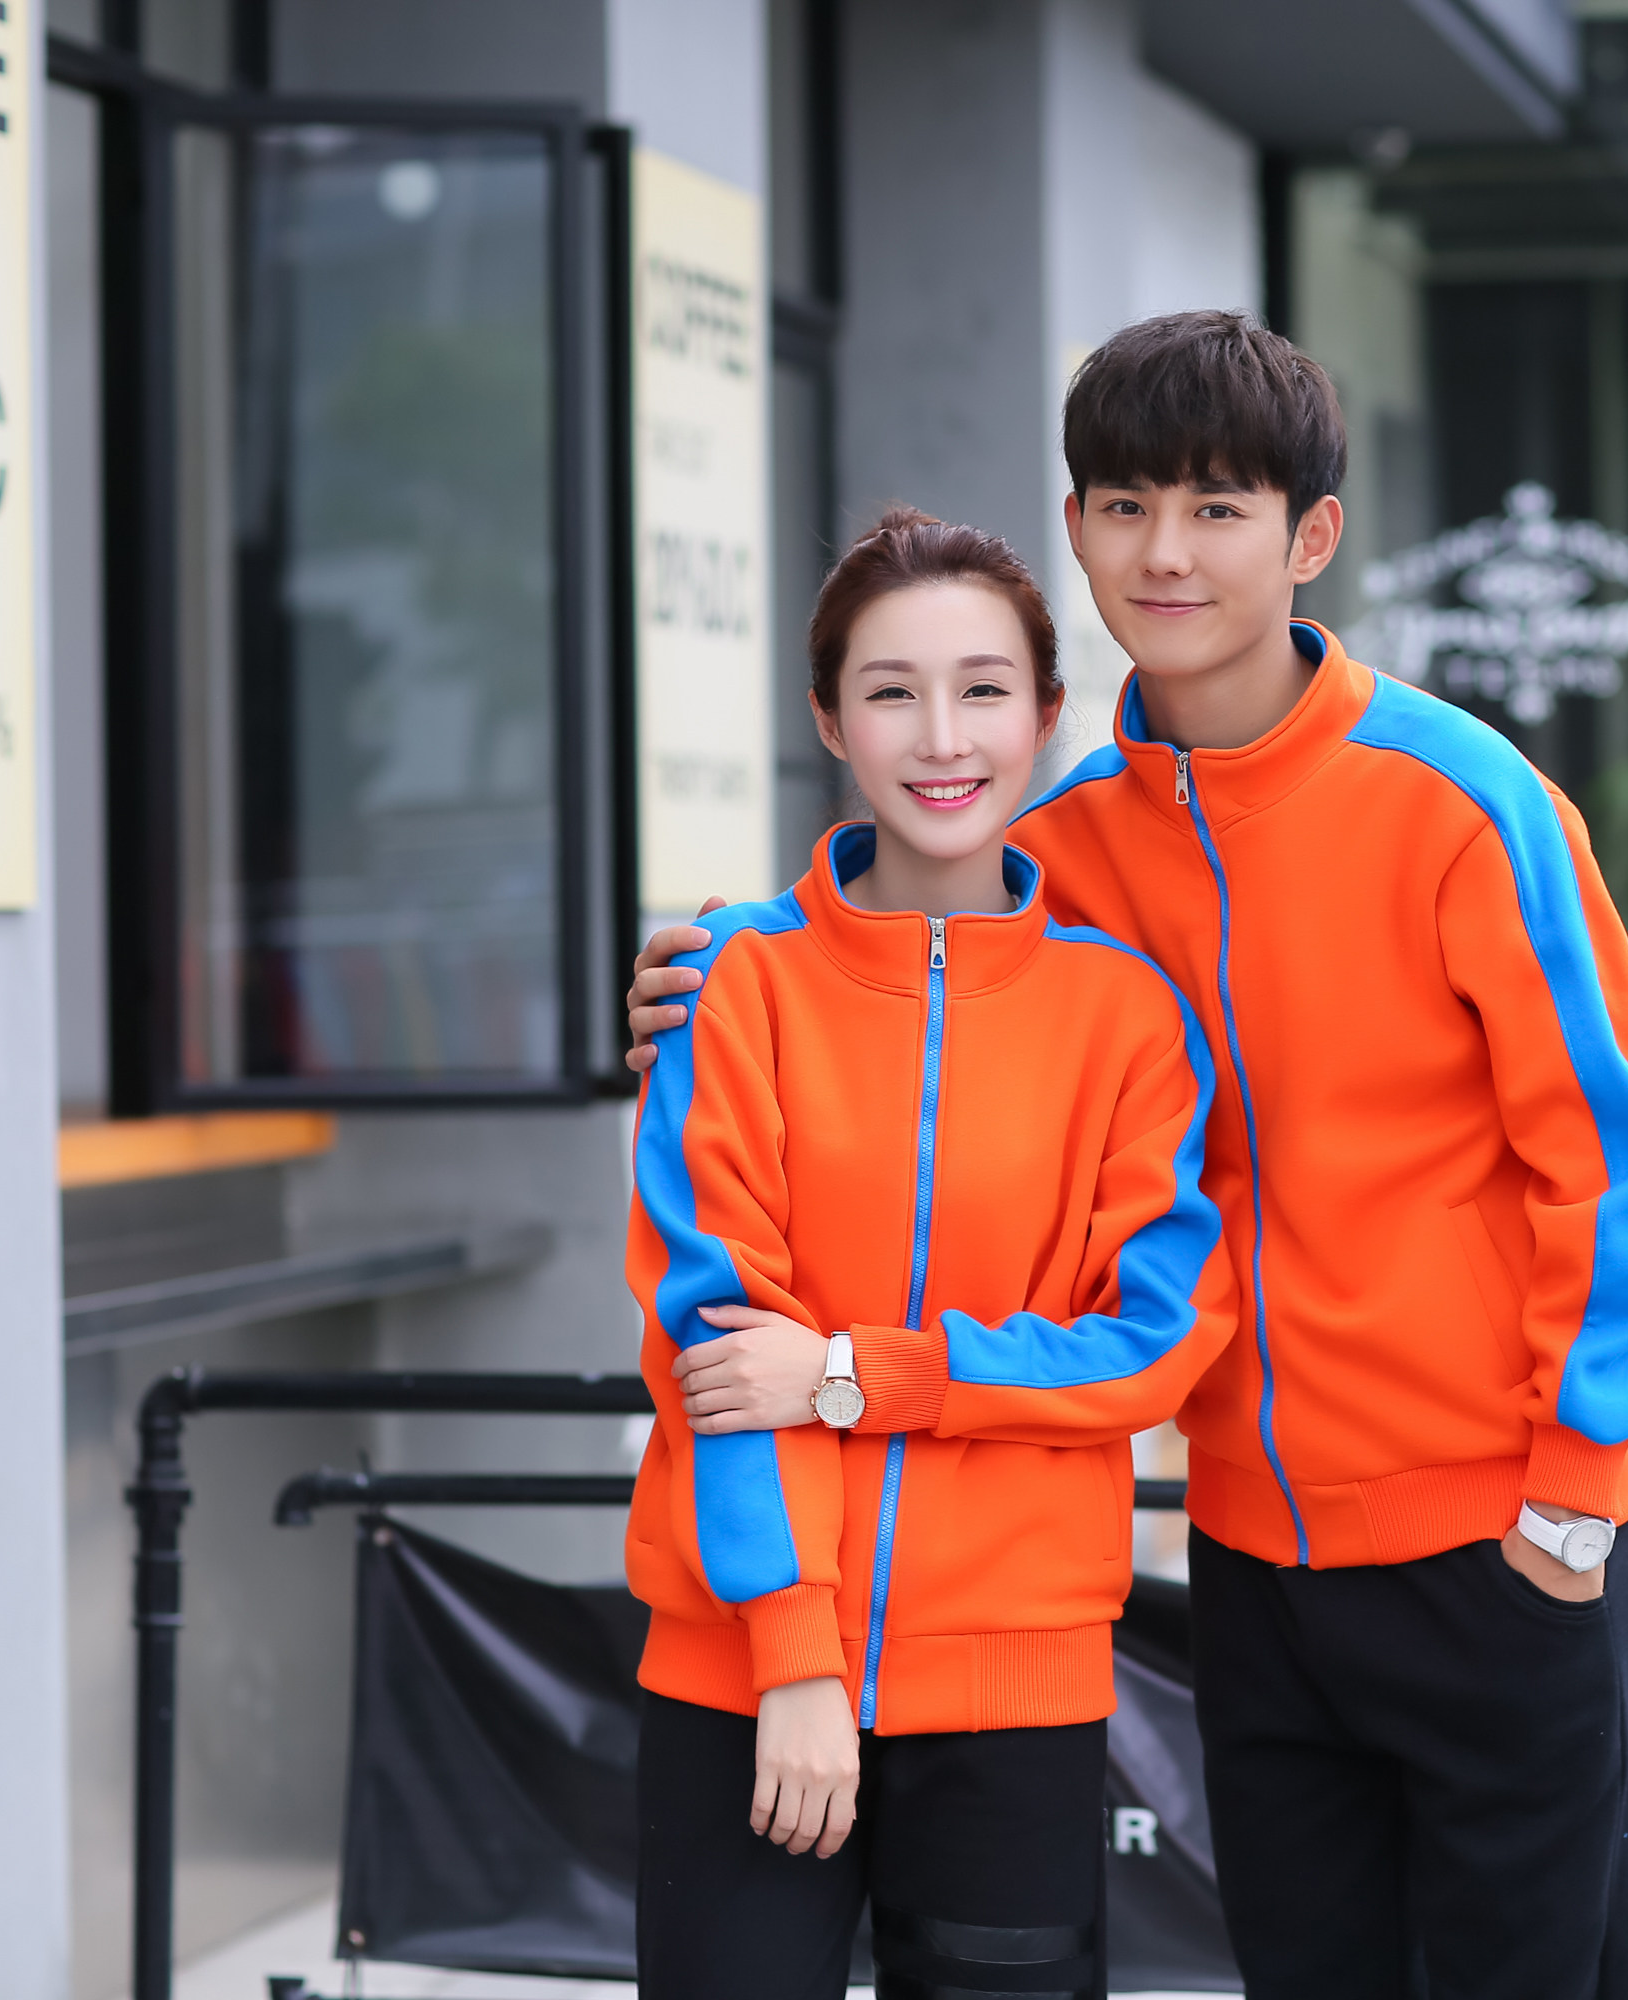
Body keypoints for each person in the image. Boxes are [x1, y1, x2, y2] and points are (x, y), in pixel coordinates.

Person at [631, 312, 1628, 2000]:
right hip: (1255, 1573)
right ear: (1077, 529)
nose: (1167, 552)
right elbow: (903, 934)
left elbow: (1616, 1162)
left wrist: (1571, 1505)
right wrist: (708, 983)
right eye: (1124, 506)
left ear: (1311, 536)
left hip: (1497, 1547)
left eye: (1217, 507)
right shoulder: (1063, 849)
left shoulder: (1464, 801)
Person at [627, 506, 1235, 2000]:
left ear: (1046, 715)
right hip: (744, 1680)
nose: (943, 737)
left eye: (983, 690)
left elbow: (1153, 1345)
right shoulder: (734, 986)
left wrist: (854, 1372)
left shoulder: (1128, 1017)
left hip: (1015, 1688)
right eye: (892, 691)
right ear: (830, 720)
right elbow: (715, 1346)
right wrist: (796, 1659)